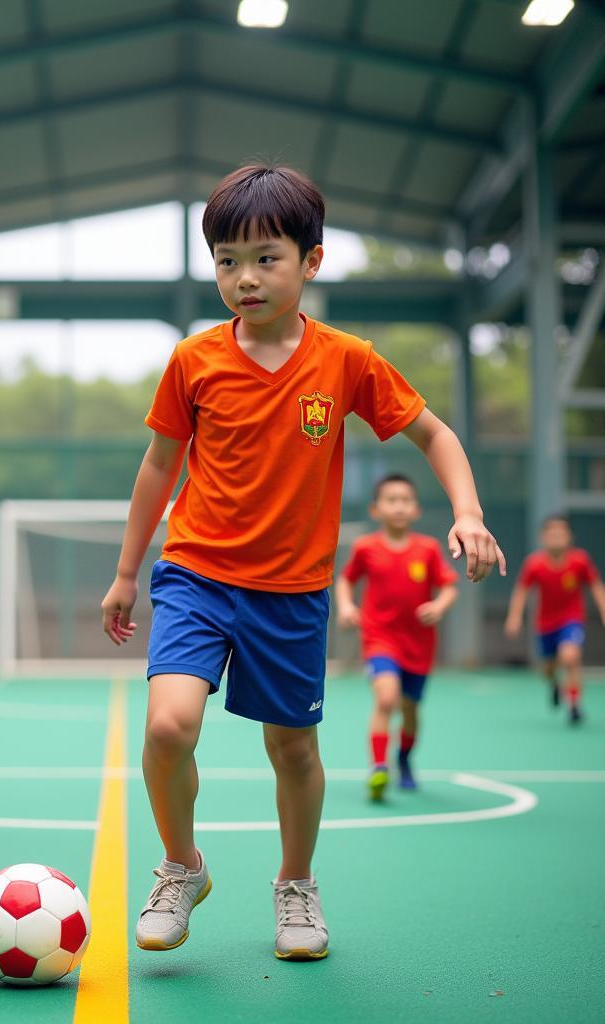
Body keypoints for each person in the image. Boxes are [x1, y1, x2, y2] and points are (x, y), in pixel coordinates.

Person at [100, 164, 505, 962]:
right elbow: (158, 465)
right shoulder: (194, 360)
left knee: (292, 748)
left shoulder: (347, 360)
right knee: (170, 723)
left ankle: (296, 887)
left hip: (292, 592)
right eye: (225, 260)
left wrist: (468, 513)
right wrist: (126, 571)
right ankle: (182, 865)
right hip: (196, 573)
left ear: (310, 262)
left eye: (264, 258)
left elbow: (436, 435)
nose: (243, 278)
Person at [335, 474, 458, 799]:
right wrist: (347, 606)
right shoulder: (366, 547)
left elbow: (448, 586)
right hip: (379, 638)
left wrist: (439, 605)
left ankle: (403, 758)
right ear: (376, 509)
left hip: (419, 643)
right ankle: (379, 767)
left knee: (411, 708)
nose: (399, 506)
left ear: (416, 510)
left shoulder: (428, 549)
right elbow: (346, 580)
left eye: (405, 500)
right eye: (391, 500)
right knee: (386, 698)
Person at [505, 514, 605, 724]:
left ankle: (575, 705)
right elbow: (522, 591)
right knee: (548, 670)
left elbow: (596, 586)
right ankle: (554, 686)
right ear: (543, 538)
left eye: (561, 533)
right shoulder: (534, 564)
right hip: (545, 625)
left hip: (571, 620)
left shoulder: (580, 561)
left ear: (570, 537)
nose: (556, 538)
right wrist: (514, 617)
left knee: (570, 656)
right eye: (552, 534)